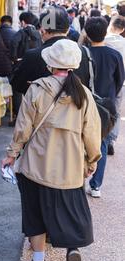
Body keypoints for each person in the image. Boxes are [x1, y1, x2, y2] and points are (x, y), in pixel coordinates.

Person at [3, 39, 102, 261]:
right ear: (73, 66)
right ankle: (72, 250)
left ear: (50, 64)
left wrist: (11, 154)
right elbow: (92, 132)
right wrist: (92, 160)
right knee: (71, 211)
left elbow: (23, 128)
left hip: (36, 165)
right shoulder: (83, 94)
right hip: (70, 167)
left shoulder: (36, 89)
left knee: (34, 212)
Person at [11, 6, 91, 102]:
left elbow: (17, 85)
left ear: (43, 30)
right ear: (68, 30)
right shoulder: (84, 52)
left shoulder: (33, 55)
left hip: (42, 113)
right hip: (78, 111)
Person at [84, 17, 125, 198]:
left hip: (84, 103)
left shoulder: (82, 53)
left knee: (79, 142)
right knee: (101, 143)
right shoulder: (114, 55)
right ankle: (96, 185)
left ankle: (77, 181)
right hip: (106, 106)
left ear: (86, 33)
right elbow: (120, 81)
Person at [105, 15, 125, 155]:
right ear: (123, 29)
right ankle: (111, 140)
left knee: (99, 109)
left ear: (109, 25)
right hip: (121, 83)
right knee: (116, 112)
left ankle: (98, 139)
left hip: (103, 81)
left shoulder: (102, 41)